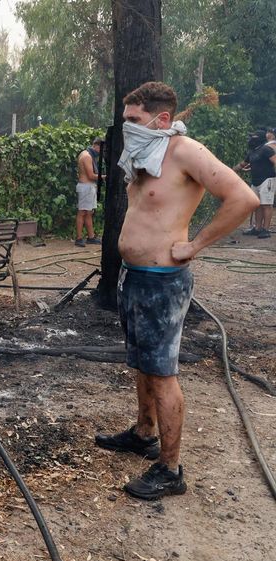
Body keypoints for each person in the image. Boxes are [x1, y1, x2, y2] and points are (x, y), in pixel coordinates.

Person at [94, 82, 259, 500]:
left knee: (162, 374)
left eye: (133, 119)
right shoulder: (147, 152)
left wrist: (195, 244)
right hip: (135, 277)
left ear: (161, 119)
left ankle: (170, 469)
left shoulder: (185, 151)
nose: (127, 126)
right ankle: (143, 432)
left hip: (162, 283)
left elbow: (243, 198)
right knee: (143, 364)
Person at [235, 130, 275, 238]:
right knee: (256, 204)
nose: (251, 139)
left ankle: (265, 229)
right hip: (255, 181)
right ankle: (257, 228)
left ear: (259, 138)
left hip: (267, 180)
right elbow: (243, 164)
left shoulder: (266, 150)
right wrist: (231, 170)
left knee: (266, 205)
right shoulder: (252, 151)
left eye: (254, 137)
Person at [74, 137, 104, 247]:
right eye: (101, 148)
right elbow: (91, 176)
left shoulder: (86, 154)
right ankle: (78, 238)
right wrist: (105, 177)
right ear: (96, 145)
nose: (101, 152)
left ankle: (91, 237)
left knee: (89, 212)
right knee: (82, 212)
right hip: (86, 187)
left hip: (88, 187)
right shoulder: (87, 156)